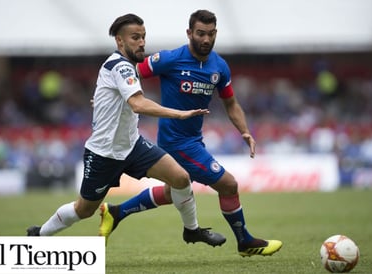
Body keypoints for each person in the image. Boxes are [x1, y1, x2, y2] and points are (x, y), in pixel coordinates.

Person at [26, 13, 226, 248]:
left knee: (181, 178)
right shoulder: (120, 66)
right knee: (84, 209)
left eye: (143, 37)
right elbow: (138, 103)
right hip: (104, 154)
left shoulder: (127, 66)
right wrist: (179, 113)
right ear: (120, 41)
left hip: (132, 145)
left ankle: (192, 231)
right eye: (134, 37)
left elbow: (114, 96)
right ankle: (39, 235)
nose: (141, 42)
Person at [99, 10, 282, 257]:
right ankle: (245, 242)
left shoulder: (220, 66)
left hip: (194, 139)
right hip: (176, 142)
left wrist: (245, 131)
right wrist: (107, 95)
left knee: (170, 191)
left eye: (211, 34)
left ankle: (116, 212)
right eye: (200, 34)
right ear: (189, 33)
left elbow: (230, 102)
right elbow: (129, 71)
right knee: (228, 185)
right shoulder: (171, 59)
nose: (206, 39)